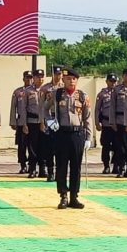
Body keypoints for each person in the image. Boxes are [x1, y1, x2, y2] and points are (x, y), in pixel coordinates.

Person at [44, 67, 91, 209]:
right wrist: (51, 123)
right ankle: (63, 195)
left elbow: (87, 118)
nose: (71, 81)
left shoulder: (82, 96)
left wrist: (88, 137)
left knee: (76, 167)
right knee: (62, 166)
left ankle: (74, 197)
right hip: (61, 134)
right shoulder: (56, 94)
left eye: (74, 79)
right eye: (69, 78)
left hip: (77, 134)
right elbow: (45, 109)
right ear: (63, 79)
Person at [38, 65, 63, 180]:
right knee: (50, 147)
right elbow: (42, 106)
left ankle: (59, 172)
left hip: (62, 118)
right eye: (56, 74)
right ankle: (50, 171)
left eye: (60, 74)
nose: (58, 76)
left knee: (61, 147)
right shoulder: (46, 88)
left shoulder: (64, 87)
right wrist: (42, 121)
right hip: (51, 118)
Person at [18, 69, 44, 178]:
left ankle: (43, 168)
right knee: (32, 146)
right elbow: (23, 109)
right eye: (38, 77)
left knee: (44, 146)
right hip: (32, 122)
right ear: (34, 78)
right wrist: (24, 124)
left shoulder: (47, 90)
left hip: (44, 123)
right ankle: (32, 168)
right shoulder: (27, 91)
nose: (40, 79)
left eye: (42, 76)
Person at [111, 68, 127, 177]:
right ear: (123, 76)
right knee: (121, 147)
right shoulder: (117, 89)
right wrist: (113, 122)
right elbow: (112, 107)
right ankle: (121, 168)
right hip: (120, 120)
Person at [10, 71, 32, 174]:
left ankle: (32, 165)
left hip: (32, 122)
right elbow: (13, 108)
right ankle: (23, 165)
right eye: (27, 78)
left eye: (31, 78)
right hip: (21, 122)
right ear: (23, 79)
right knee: (22, 145)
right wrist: (13, 121)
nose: (29, 80)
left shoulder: (37, 91)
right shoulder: (18, 92)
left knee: (33, 145)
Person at [94, 73, 117, 174]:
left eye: (114, 81)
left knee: (118, 145)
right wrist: (97, 123)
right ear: (107, 81)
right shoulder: (102, 94)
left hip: (117, 125)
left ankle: (116, 165)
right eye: (111, 81)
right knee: (106, 146)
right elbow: (97, 109)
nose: (113, 83)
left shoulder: (120, 92)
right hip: (106, 123)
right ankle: (106, 165)